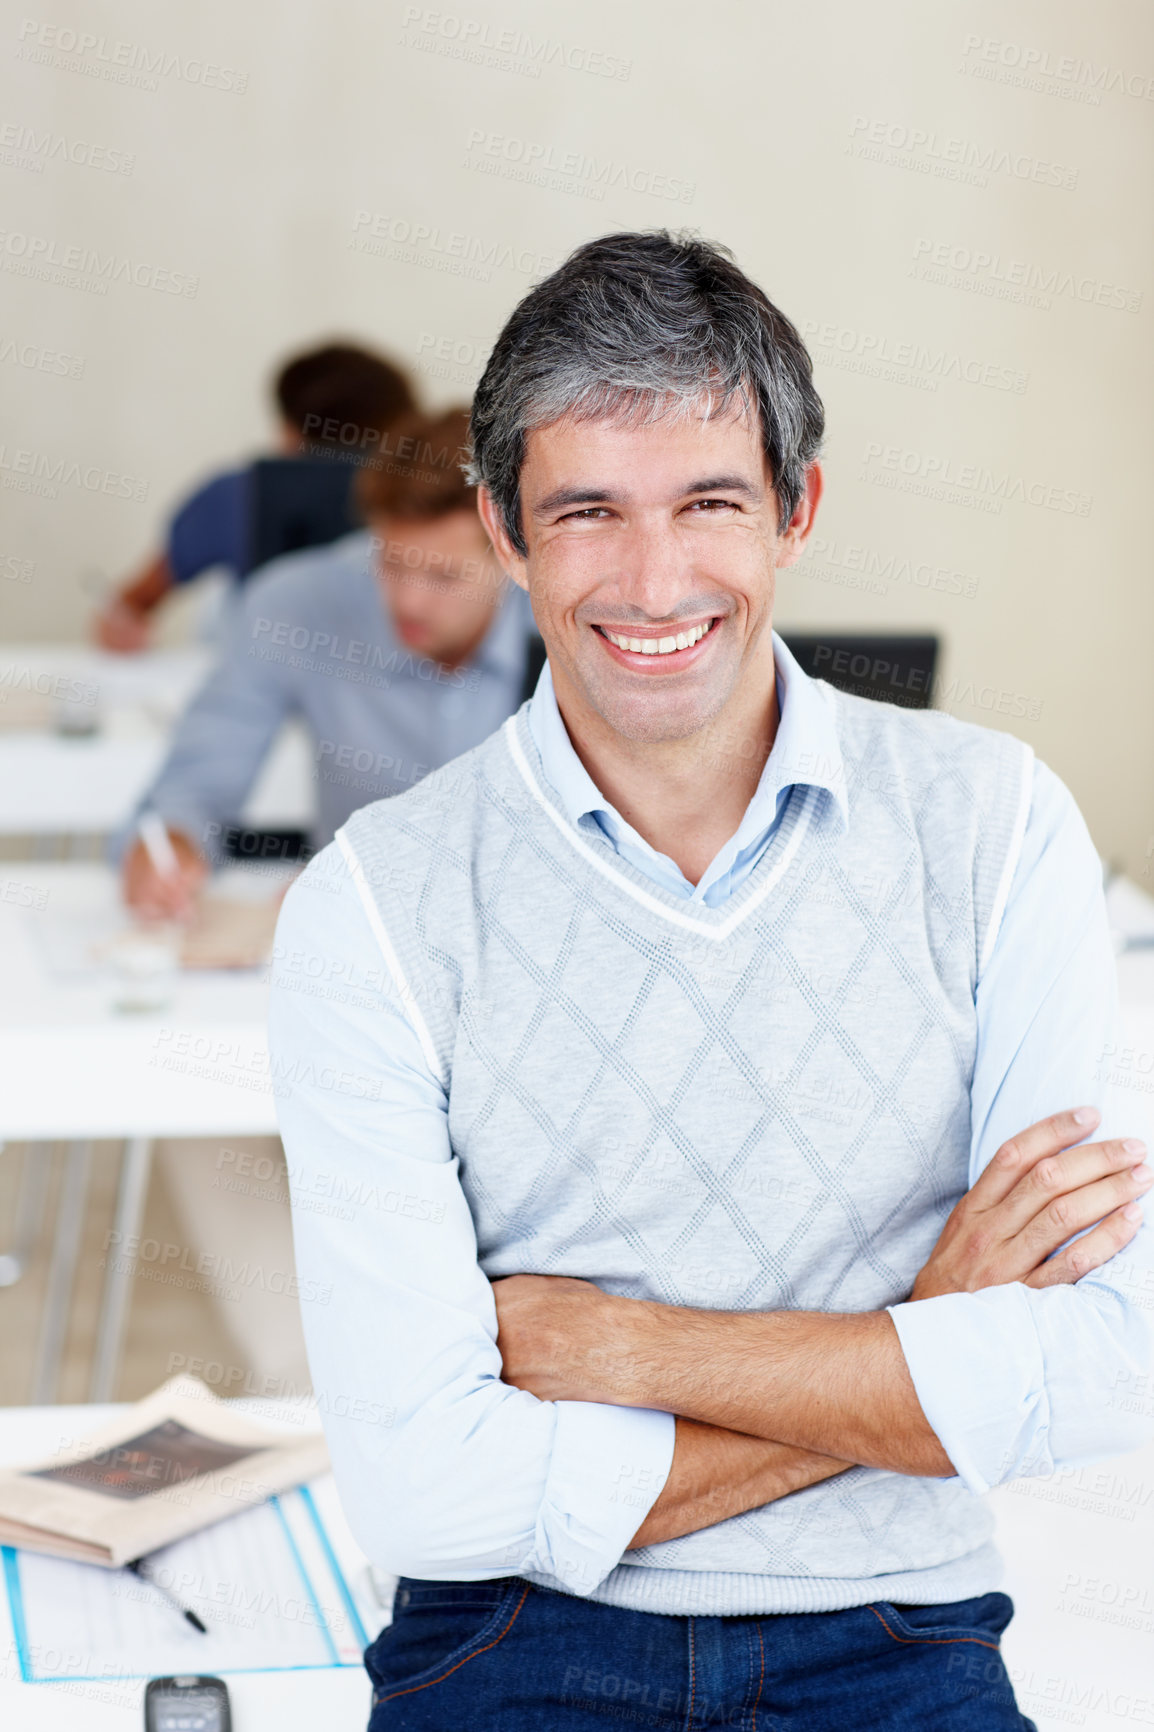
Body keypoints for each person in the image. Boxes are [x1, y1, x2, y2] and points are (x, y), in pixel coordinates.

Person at [266, 234, 1154, 1730]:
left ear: (795, 510)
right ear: (502, 529)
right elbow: (427, 1495)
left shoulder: (993, 823)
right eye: (587, 511)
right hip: (513, 1636)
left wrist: (626, 1348)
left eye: (708, 504)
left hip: (897, 1637)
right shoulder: (376, 897)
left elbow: (1109, 1363)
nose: (653, 577)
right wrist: (922, 1336)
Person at [121, 406, 539, 917]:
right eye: (391, 561)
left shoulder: (568, 619)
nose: (408, 602)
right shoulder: (296, 604)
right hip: (348, 952)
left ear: (514, 551)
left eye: (444, 577)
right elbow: (196, 781)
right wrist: (171, 845)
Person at [94, 342, 416, 651]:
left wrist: (121, 627)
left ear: (289, 430)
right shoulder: (430, 501)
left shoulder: (233, 495)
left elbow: (132, 605)